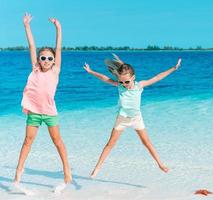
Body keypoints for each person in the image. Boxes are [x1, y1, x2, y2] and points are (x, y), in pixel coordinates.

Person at [83, 53, 182, 178]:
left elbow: (157, 77)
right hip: (122, 119)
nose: (124, 84)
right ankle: (97, 168)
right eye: (122, 82)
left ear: (133, 78)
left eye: (127, 81)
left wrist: (173, 68)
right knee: (110, 144)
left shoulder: (139, 85)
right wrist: (91, 71)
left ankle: (160, 164)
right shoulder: (120, 86)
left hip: (136, 119)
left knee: (146, 142)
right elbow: (104, 78)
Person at [14, 13, 72, 194]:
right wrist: (26, 26)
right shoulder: (35, 69)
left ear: (54, 60)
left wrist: (59, 28)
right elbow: (32, 45)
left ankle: (67, 172)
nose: (45, 60)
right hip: (34, 111)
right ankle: (18, 173)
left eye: (49, 58)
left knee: (57, 141)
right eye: (43, 57)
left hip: (49, 112)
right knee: (27, 141)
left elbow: (59, 48)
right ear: (38, 60)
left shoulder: (55, 71)